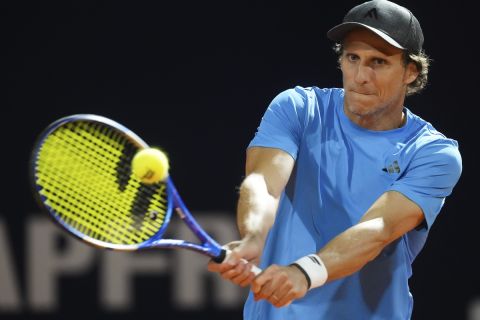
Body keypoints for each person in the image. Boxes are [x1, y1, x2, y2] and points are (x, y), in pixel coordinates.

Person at [208, 0, 463, 319]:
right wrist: (254, 236)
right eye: (352, 58)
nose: (360, 76)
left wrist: (304, 273)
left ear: (411, 72)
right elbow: (264, 183)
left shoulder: (433, 153)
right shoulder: (298, 108)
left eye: (379, 62)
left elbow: (378, 227)